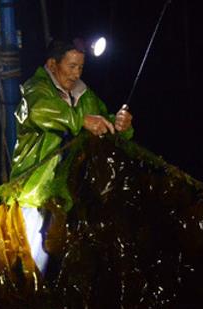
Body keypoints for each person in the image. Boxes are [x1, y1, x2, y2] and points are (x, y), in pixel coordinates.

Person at [11, 38, 134, 273]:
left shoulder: (85, 96)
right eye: (71, 66)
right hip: (34, 194)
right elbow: (39, 112)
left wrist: (121, 124)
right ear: (53, 64)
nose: (76, 73)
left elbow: (106, 121)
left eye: (80, 67)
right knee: (33, 266)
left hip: (71, 197)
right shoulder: (35, 89)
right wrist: (82, 120)